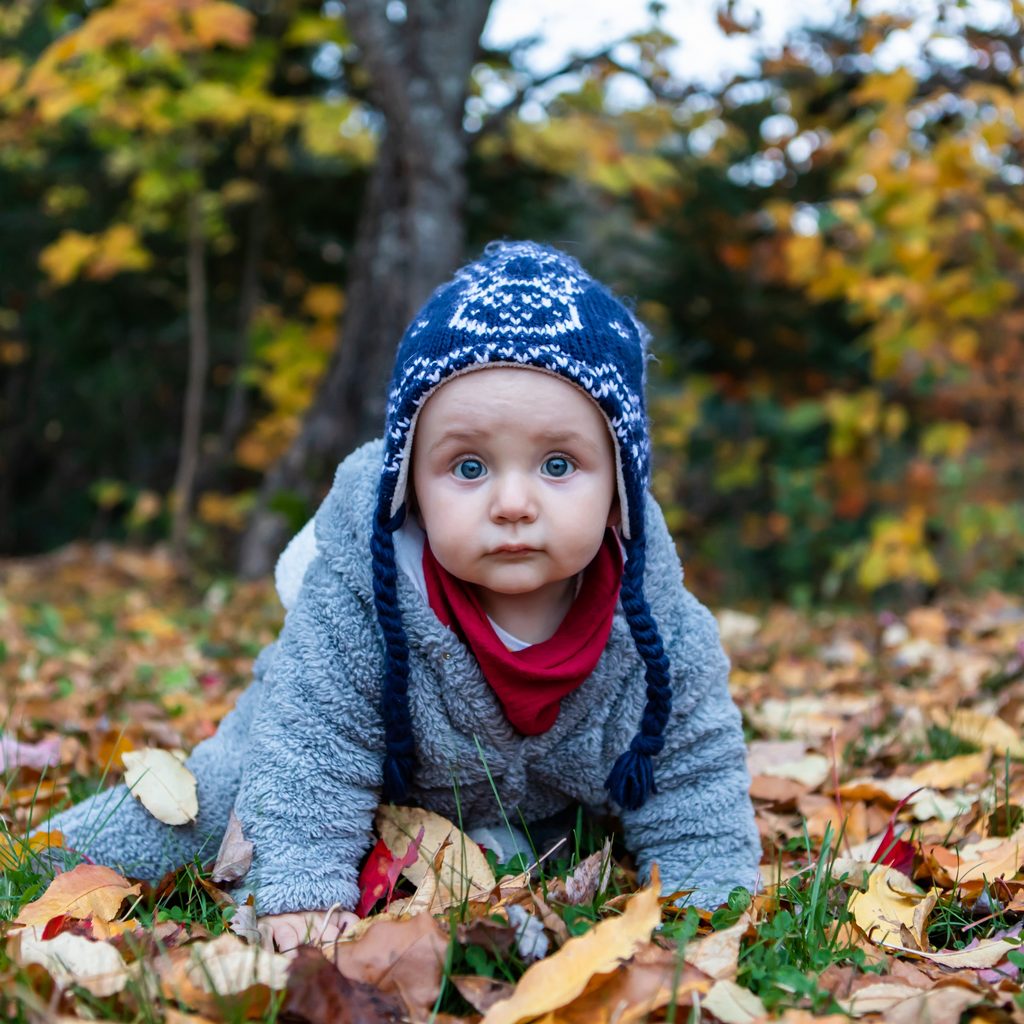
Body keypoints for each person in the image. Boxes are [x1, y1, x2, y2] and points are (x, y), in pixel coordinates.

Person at [39, 242, 760, 949]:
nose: (513, 502)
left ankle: (482, 857)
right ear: (409, 481)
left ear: (619, 491)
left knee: (559, 847)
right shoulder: (363, 598)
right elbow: (311, 745)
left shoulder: (657, 629)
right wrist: (303, 891)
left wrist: (711, 898)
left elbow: (691, 768)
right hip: (306, 758)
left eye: (559, 464)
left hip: (522, 801)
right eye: (469, 466)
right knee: (207, 804)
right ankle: (47, 850)